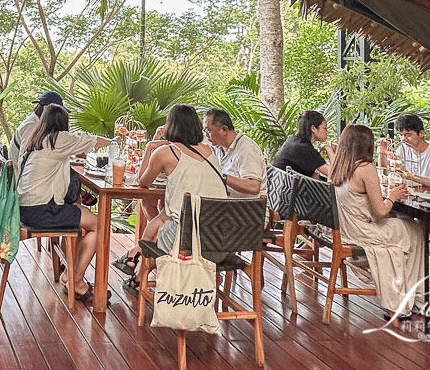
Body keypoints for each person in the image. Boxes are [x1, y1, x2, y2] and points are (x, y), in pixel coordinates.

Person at [117, 105, 226, 293]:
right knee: (164, 218)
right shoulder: (211, 151)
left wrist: (151, 145)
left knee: (162, 228)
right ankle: (137, 275)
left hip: (190, 242)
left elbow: (142, 182)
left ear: (171, 126)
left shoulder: (166, 152)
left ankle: (135, 256)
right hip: (221, 240)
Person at [15, 104, 110, 303]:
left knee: (81, 214)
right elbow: (93, 141)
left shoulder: (35, 142)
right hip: (43, 211)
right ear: (63, 124)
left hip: (26, 209)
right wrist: (114, 141)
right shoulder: (57, 139)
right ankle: (76, 280)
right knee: (100, 225)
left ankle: (72, 275)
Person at [329, 124, 424, 320]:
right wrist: (392, 196)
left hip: (347, 229)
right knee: (415, 231)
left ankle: (408, 295)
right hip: (363, 232)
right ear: (368, 145)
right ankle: (412, 300)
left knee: (405, 224)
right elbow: (380, 212)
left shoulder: (339, 165)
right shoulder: (365, 168)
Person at [378, 113, 430, 191]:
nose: (403, 139)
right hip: (406, 197)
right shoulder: (402, 149)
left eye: (408, 135)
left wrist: (411, 177)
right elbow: (385, 171)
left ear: (421, 133)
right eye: (401, 135)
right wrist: (382, 151)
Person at [203, 108, 266, 197]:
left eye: (208, 131)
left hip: (247, 207)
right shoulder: (219, 147)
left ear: (224, 130)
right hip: (228, 203)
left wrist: (222, 177)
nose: (206, 135)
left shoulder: (247, 149)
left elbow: (254, 187)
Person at [8, 90, 64, 164]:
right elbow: (24, 159)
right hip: (20, 173)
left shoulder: (35, 121)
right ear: (46, 108)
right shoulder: (32, 126)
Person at [272, 110, 334, 178]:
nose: (327, 131)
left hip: (280, 185)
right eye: (325, 128)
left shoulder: (294, 141)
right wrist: (328, 149)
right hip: (289, 187)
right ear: (313, 128)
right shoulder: (303, 148)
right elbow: (335, 174)